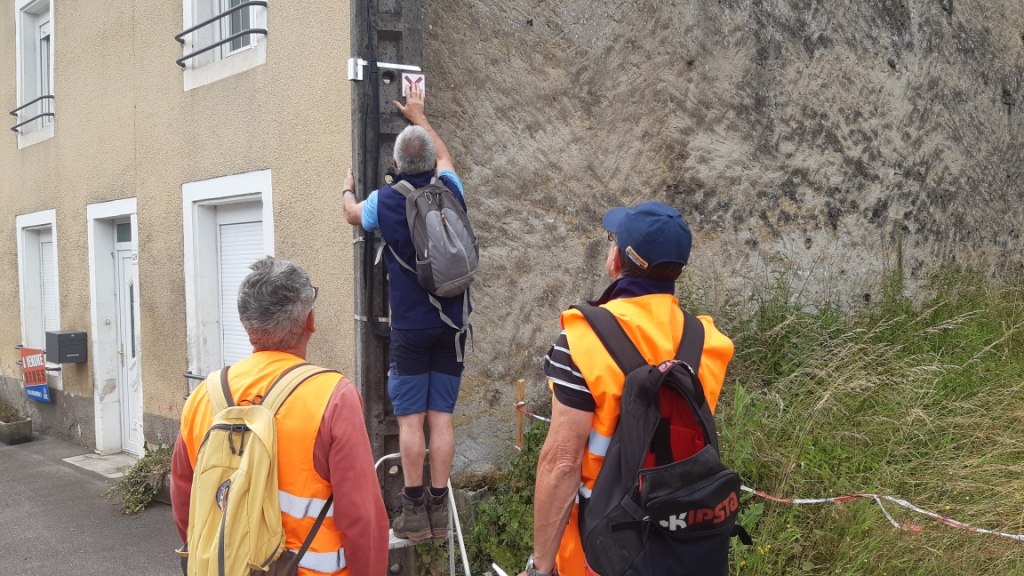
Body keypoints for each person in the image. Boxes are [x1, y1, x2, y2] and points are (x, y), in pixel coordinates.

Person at [521, 202, 735, 576]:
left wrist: (540, 568)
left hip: (598, 549)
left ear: (617, 258)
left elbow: (563, 465)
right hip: (679, 539)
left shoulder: (582, 338)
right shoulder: (708, 342)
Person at [171, 256, 389, 576]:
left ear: (246, 325)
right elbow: (363, 518)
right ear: (310, 319)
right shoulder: (333, 397)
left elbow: (185, 501)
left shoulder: (203, 396)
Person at [341, 85, 468, 541]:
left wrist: (346, 188)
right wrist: (420, 116)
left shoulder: (385, 200)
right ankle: (440, 499)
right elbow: (447, 157)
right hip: (454, 325)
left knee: (411, 421)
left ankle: (414, 508)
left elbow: (352, 215)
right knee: (442, 418)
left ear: (396, 164)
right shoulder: (449, 188)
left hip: (411, 329)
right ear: (429, 161)